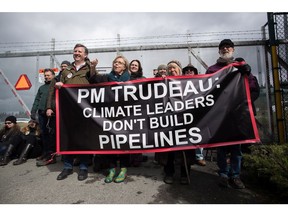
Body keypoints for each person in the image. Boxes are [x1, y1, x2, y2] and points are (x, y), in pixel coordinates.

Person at [206, 39, 260, 189]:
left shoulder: (241, 67)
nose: (225, 49)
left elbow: (253, 88)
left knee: (237, 147)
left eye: (228, 47)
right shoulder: (212, 69)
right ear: (219, 51)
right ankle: (223, 173)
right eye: (222, 47)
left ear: (233, 50)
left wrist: (247, 73)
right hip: (221, 115)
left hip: (238, 115)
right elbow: (206, 90)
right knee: (221, 146)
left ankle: (235, 175)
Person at [54, 43, 98, 181]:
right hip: (67, 109)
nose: (77, 53)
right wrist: (58, 85)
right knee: (67, 137)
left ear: (85, 55)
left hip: (83, 110)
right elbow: (57, 87)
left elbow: (95, 81)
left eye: (80, 51)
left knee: (83, 138)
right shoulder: (66, 71)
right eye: (75, 51)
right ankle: (67, 167)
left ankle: (83, 167)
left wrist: (93, 68)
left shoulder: (89, 68)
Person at [90, 55, 130, 183]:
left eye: (119, 63)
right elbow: (93, 79)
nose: (116, 64)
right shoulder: (106, 77)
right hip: (109, 115)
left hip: (125, 115)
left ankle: (123, 169)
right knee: (110, 142)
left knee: (123, 142)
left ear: (125, 66)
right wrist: (93, 67)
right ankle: (112, 169)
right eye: (115, 62)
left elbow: (147, 88)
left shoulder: (131, 79)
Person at [155, 60, 194, 185]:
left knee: (186, 149)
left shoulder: (188, 82)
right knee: (169, 149)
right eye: (170, 68)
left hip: (185, 121)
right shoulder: (163, 82)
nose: (172, 70)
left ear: (180, 69)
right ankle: (169, 173)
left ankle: (184, 173)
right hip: (168, 121)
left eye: (174, 68)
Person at [30, 68, 57, 166]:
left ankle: (51, 155)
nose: (47, 77)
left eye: (49, 75)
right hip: (41, 113)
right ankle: (45, 152)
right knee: (44, 133)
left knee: (52, 134)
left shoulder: (55, 86)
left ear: (53, 75)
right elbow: (37, 99)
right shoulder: (41, 88)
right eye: (45, 75)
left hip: (51, 113)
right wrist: (33, 110)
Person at [182, 64, 206, 167]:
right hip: (182, 113)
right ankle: (185, 157)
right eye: (187, 71)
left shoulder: (200, 83)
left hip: (196, 113)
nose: (189, 72)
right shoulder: (179, 83)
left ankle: (199, 157)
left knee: (198, 134)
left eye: (191, 70)